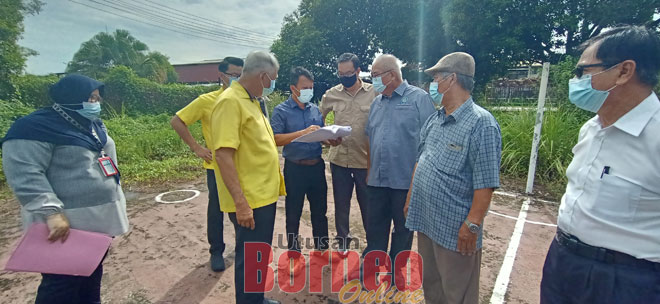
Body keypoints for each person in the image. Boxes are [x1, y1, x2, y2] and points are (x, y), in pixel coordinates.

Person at [540, 25, 660, 304]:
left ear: (624, 71)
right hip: (564, 260)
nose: (576, 80)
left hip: (626, 280)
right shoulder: (592, 128)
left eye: (583, 71)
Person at [2, 74, 130, 304]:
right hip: (66, 223)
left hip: (98, 220)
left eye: (97, 98)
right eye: (90, 98)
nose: (95, 103)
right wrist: (51, 212)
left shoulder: (90, 125)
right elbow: (25, 173)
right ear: (70, 97)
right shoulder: (34, 128)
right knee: (61, 285)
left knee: (90, 274)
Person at [404, 52, 502, 304]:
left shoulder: (482, 124)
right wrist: (410, 198)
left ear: (452, 79)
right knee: (433, 285)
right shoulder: (435, 119)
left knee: (457, 292)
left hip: (455, 230)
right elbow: (420, 160)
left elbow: (486, 182)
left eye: (435, 78)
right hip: (427, 221)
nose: (431, 85)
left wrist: (472, 225)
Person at [211, 50, 284, 304]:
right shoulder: (230, 102)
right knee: (250, 256)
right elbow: (223, 155)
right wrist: (240, 203)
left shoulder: (252, 100)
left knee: (258, 255)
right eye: (272, 79)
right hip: (249, 201)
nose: (272, 84)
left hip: (263, 196)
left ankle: (256, 298)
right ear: (263, 75)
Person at [170, 56, 243, 272]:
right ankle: (216, 251)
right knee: (217, 210)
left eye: (241, 75)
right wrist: (197, 148)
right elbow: (177, 121)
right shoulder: (207, 100)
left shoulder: (248, 99)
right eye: (233, 75)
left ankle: (242, 246)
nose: (237, 79)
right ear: (221, 75)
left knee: (241, 208)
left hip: (242, 166)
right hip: (217, 167)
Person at [363, 54, 436, 267]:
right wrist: (369, 171)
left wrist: (421, 182)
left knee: (402, 231)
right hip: (377, 181)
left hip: (405, 183)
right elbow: (369, 136)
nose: (373, 79)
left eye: (375, 75)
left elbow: (430, 142)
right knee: (374, 228)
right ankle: (371, 270)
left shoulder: (419, 99)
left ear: (391, 75)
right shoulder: (377, 103)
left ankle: (396, 273)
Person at [271, 67, 340, 254]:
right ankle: (294, 251)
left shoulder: (315, 109)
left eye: (311, 87)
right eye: (305, 87)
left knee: (320, 212)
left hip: (316, 167)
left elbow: (319, 135)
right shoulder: (281, 111)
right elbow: (275, 139)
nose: (309, 91)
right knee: (293, 212)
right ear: (293, 88)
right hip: (295, 169)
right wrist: (302, 133)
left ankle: (322, 249)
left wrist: (331, 140)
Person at [320, 53, 377, 251]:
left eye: (349, 73)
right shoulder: (331, 94)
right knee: (341, 204)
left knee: (368, 205)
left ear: (358, 71)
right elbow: (318, 119)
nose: (345, 77)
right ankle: (343, 240)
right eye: (341, 73)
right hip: (339, 159)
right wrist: (327, 137)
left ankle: (373, 243)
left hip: (365, 161)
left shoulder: (374, 92)